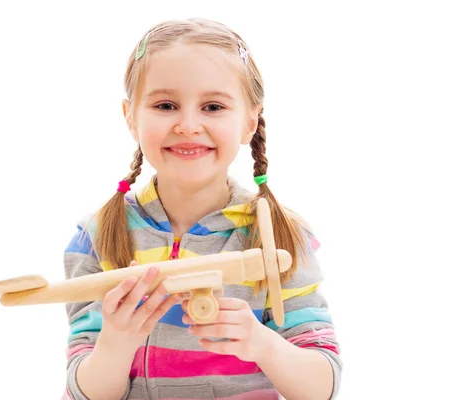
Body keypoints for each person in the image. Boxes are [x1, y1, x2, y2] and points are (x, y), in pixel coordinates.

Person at [62, 17, 342, 400]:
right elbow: (87, 392)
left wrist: (261, 343)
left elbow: (322, 387)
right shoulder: (96, 236)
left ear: (249, 121)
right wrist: (115, 344)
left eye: (212, 106)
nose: (188, 125)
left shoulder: (281, 234)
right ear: (130, 116)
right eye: (165, 105)